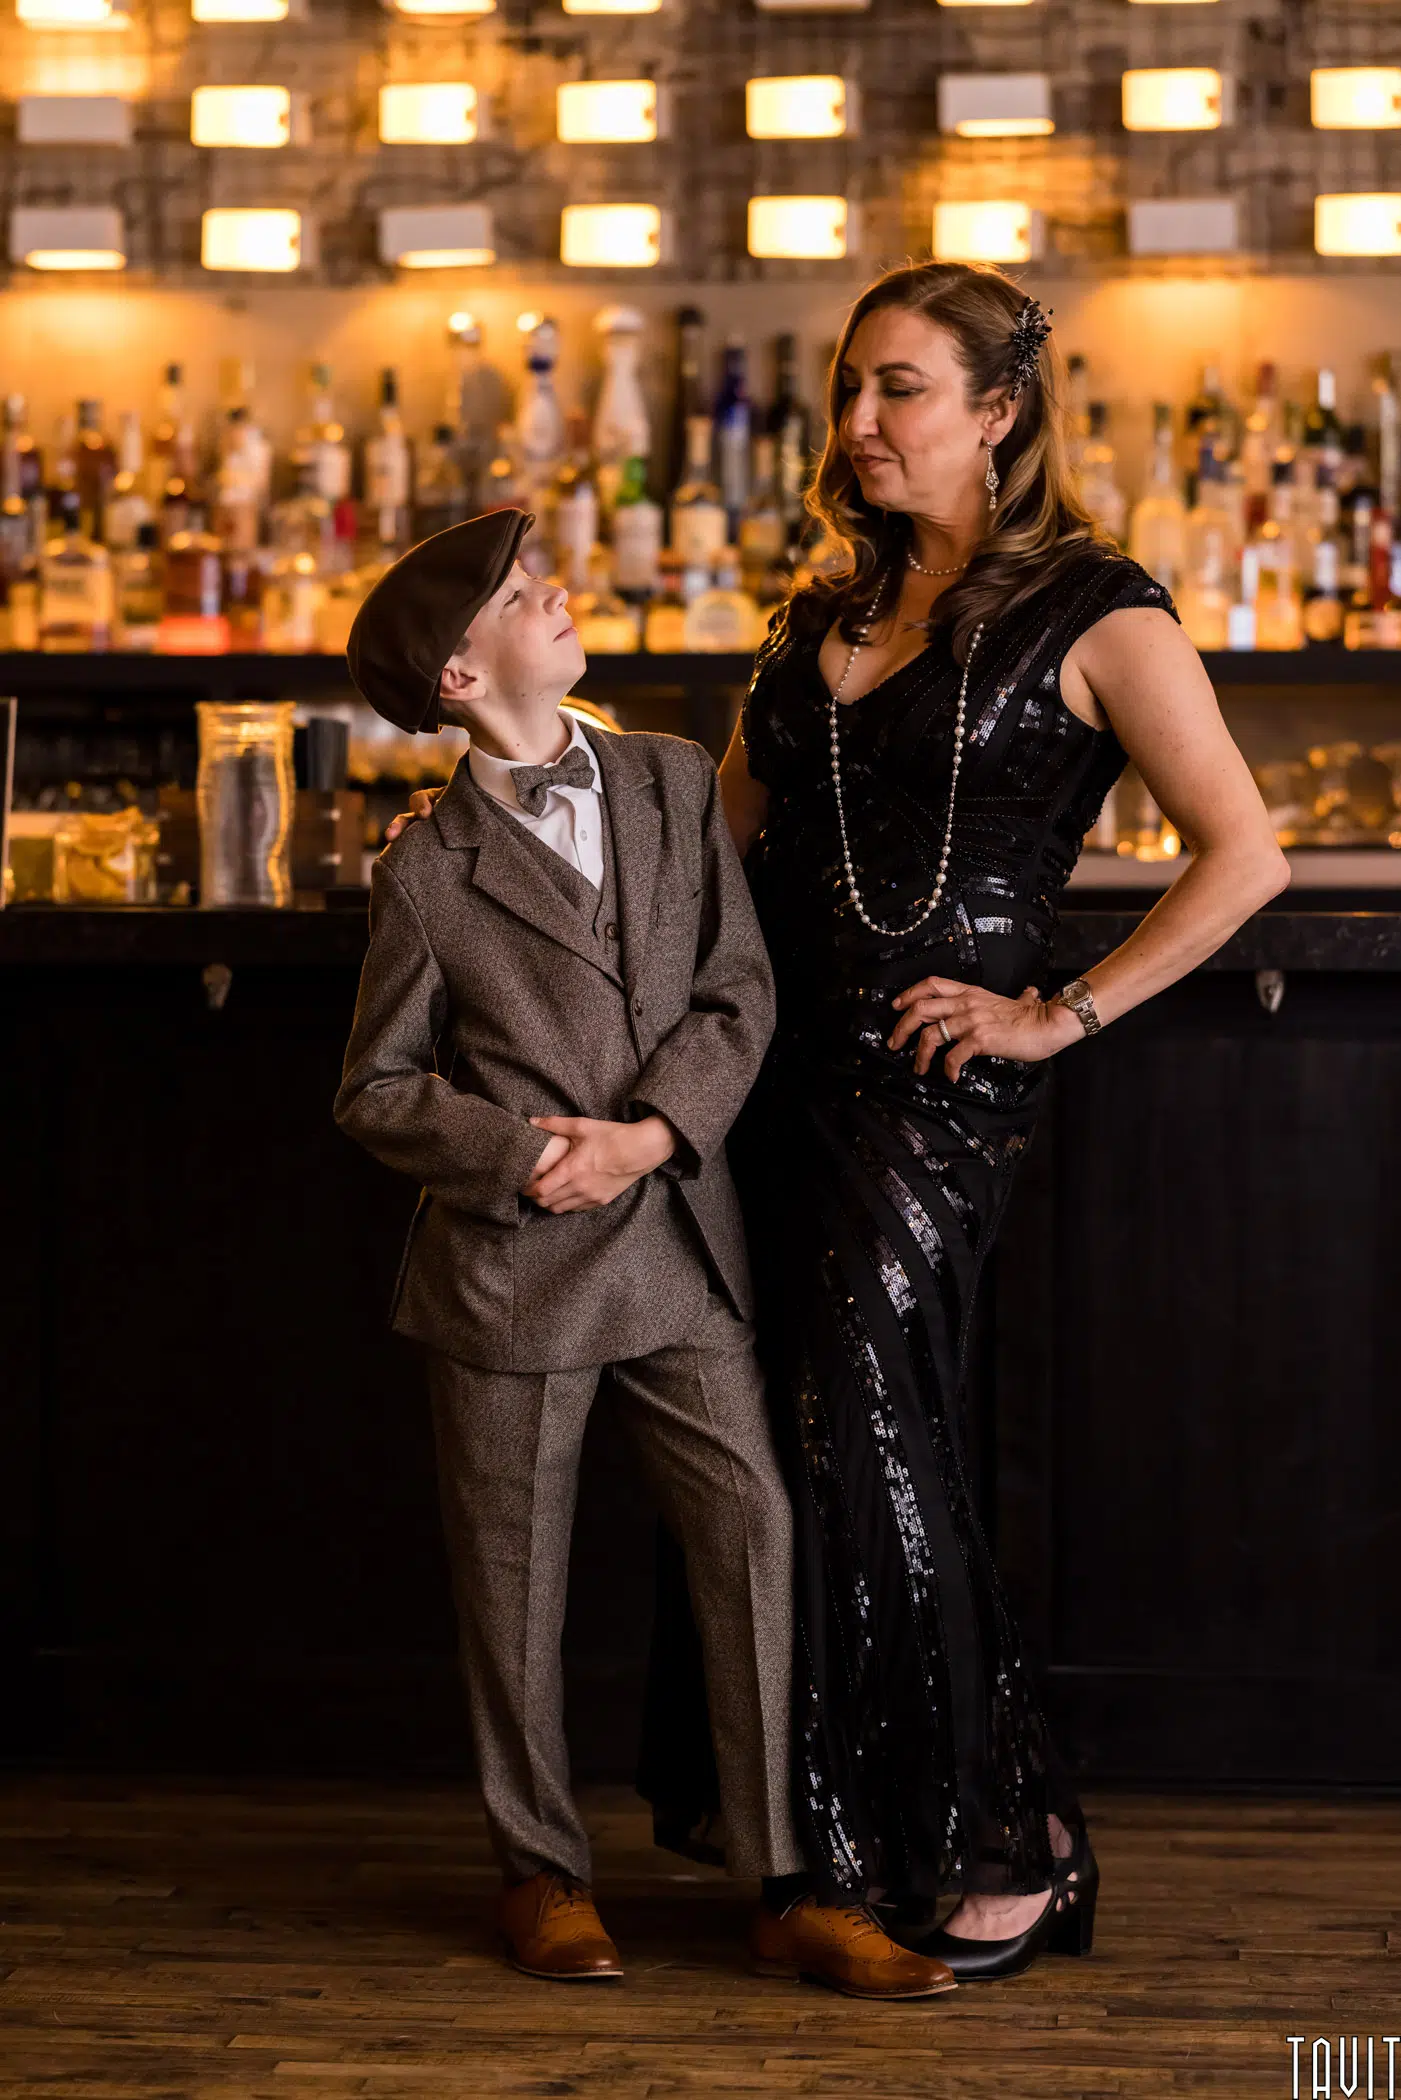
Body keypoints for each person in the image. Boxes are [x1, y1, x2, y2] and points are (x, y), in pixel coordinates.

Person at [689, 262, 1291, 1978]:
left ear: (999, 413)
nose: (861, 423)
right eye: (849, 392)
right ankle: (855, 1838)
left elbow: (1241, 851)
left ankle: (1009, 1842)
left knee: (879, 1437)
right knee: (812, 1456)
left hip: (936, 1098)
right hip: (773, 1086)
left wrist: (1055, 1015)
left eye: (900, 390)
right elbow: (715, 853)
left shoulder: (1101, 605)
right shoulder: (819, 613)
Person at [334, 508, 955, 2000]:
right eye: (511, 594)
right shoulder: (427, 870)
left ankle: (787, 1880)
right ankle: (540, 1871)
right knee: (511, 1581)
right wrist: (533, 1152)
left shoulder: (675, 781)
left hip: (677, 1240)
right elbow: (376, 1088)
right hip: (511, 1268)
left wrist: (653, 1138)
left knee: (753, 1535)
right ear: (462, 676)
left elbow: (739, 994)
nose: (550, 591)